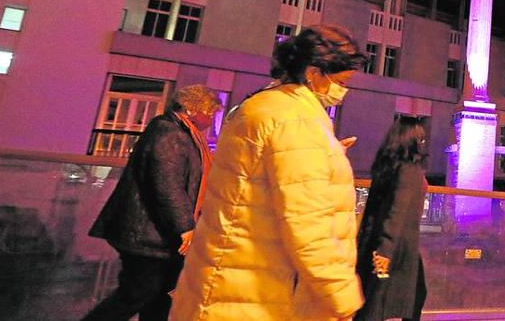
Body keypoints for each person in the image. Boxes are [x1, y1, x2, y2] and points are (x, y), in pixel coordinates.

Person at [170, 24, 366, 321]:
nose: (342, 91)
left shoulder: (266, 105)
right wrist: (340, 295)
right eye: (341, 80)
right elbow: (309, 222)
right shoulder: (293, 119)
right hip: (253, 294)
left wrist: (326, 154)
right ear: (314, 72)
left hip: (230, 281)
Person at [83, 84, 221, 321]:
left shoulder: (179, 133)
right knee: (137, 294)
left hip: (154, 235)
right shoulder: (170, 134)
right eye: (209, 112)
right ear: (190, 109)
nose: (210, 119)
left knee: (158, 297)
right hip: (146, 236)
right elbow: (167, 185)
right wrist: (185, 227)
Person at [355, 116, 429, 321]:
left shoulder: (387, 168)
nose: (423, 143)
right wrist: (385, 250)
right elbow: (397, 211)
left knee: (375, 299)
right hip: (397, 246)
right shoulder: (410, 170)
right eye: (421, 138)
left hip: (381, 242)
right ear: (411, 139)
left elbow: (374, 210)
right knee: (381, 302)